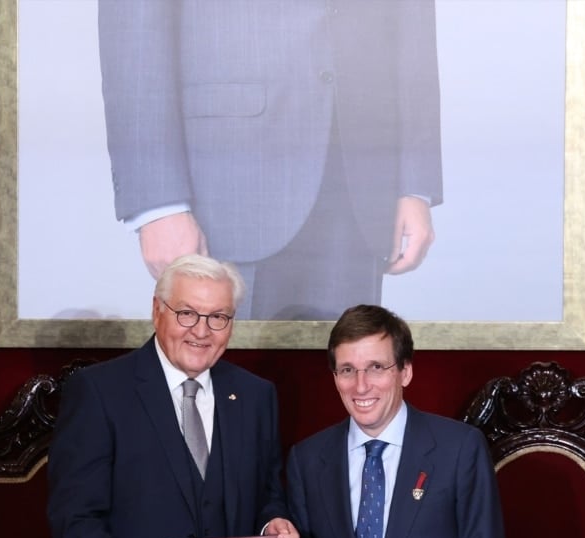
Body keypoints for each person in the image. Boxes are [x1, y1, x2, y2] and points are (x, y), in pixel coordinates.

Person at [35, 254, 299, 538]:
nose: (201, 330)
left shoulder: (255, 396)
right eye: (187, 313)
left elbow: (267, 492)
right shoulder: (101, 392)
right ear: (157, 310)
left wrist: (274, 525)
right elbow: (75, 520)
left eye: (218, 317)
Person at [95, 0, 442, 320]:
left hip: (356, 177)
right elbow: (132, 25)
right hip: (225, 182)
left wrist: (415, 182)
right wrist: (157, 202)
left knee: (341, 379)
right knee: (230, 379)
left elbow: (413, 16)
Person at [274, 305, 508, 538]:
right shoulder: (307, 459)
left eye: (376, 368)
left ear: (405, 371)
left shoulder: (458, 449)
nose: (361, 385)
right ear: (335, 377)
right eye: (347, 370)